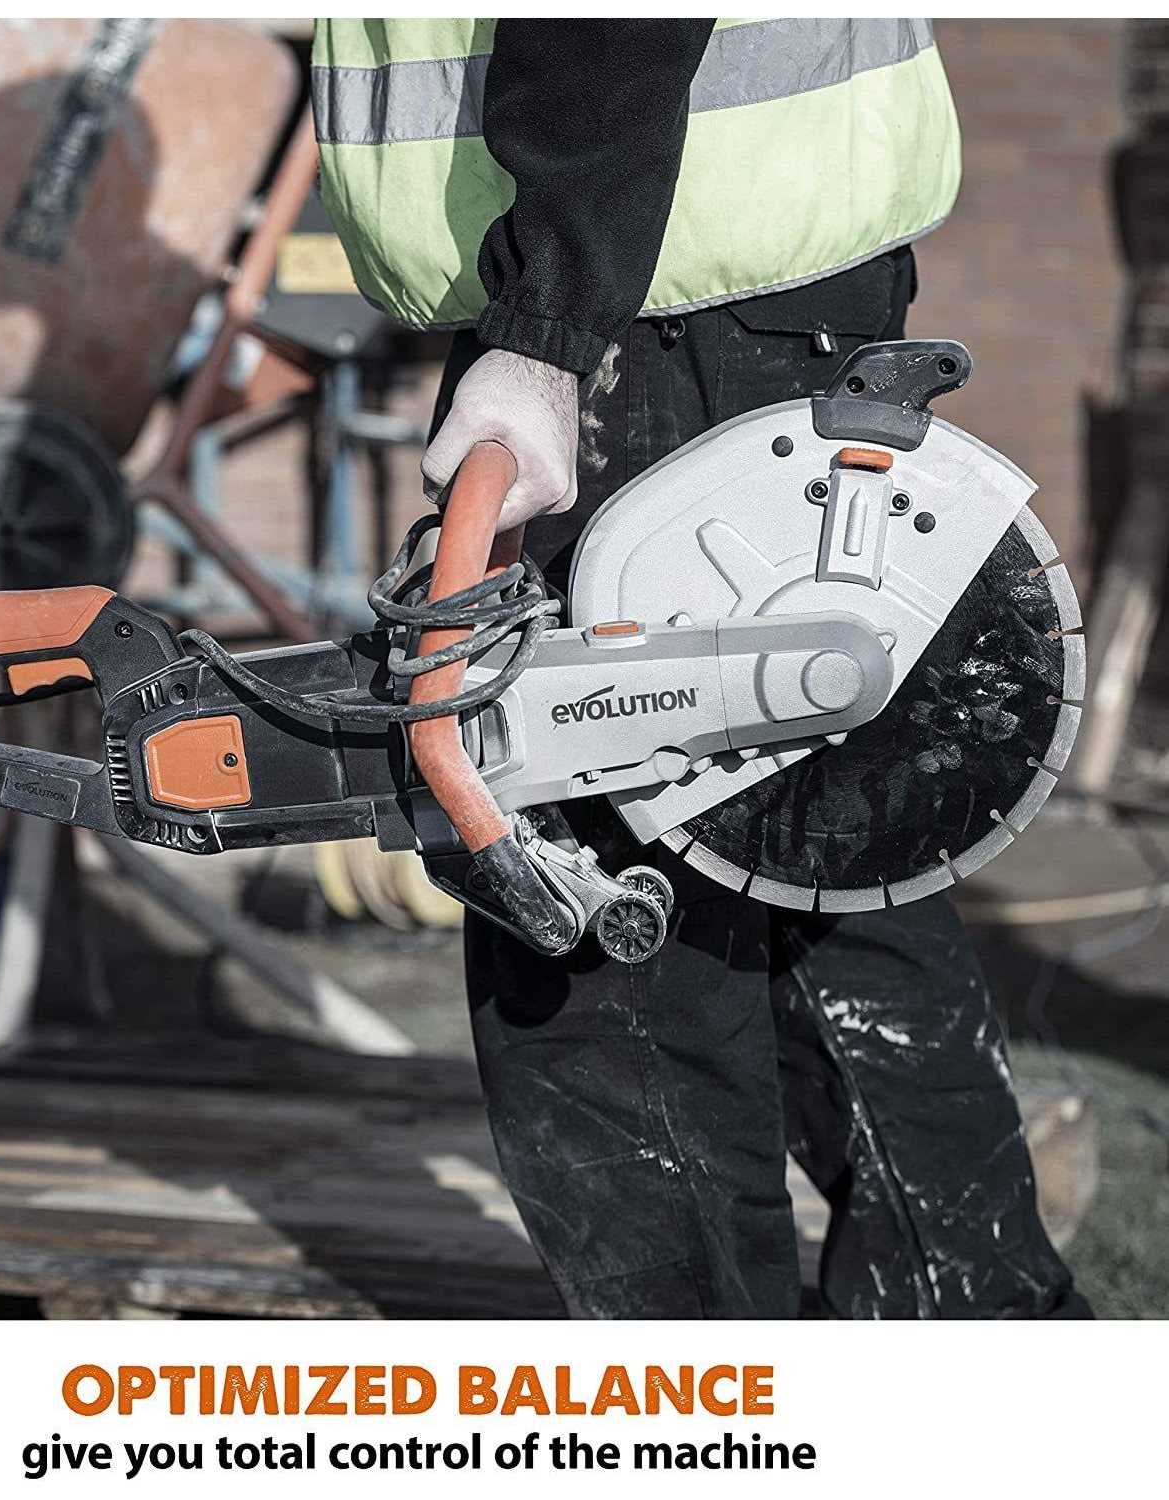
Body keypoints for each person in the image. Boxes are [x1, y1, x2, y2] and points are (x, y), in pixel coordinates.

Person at [313, 18, 1090, 1318]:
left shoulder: (580, 299)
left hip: (632, 301)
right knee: (827, 864)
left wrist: (548, 327)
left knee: (612, 962)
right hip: (707, 288)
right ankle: (986, 1355)